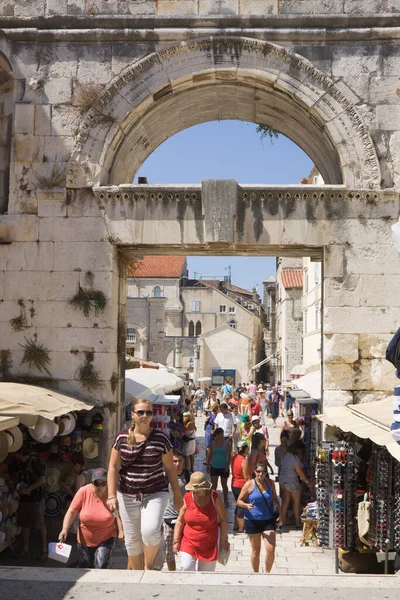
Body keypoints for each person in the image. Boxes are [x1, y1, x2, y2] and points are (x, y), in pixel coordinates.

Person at [107, 398, 183, 570]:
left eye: (148, 412)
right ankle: (137, 574)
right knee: (132, 540)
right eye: (140, 412)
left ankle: (148, 567)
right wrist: (111, 495)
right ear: (133, 415)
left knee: (150, 531)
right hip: (127, 493)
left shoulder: (161, 439)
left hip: (155, 492)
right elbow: (112, 467)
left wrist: (177, 494)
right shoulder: (122, 438)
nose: (145, 415)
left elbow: (170, 469)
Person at [59, 468, 123, 568]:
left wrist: (120, 530)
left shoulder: (111, 493)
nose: (99, 487)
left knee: (101, 565)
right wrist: (64, 529)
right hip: (84, 539)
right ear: (91, 483)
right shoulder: (83, 492)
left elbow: (116, 512)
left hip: (106, 536)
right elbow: (71, 511)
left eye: (103, 484)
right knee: (86, 566)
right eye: (96, 484)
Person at [173, 471, 229, 571]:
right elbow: (180, 521)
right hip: (189, 541)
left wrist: (224, 540)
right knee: (186, 568)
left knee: (206, 575)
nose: (195, 493)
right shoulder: (187, 497)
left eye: (198, 490)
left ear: (205, 489)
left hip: (209, 543)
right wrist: (176, 541)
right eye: (193, 490)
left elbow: (223, 520)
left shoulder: (214, 497)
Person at [237, 461, 280, 573]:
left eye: (263, 472)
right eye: (258, 471)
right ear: (254, 472)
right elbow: (239, 501)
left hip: (268, 520)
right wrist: (246, 505)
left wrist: (280, 514)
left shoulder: (270, 483)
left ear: (266, 473)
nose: (261, 474)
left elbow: (275, 499)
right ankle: (256, 574)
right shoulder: (249, 485)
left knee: (270, 549)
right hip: (252, 520)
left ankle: (267, 573)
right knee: (256, 551)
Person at [14, 446, 47, 560]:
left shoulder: (34, 463)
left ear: (21, 454)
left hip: (36, 499)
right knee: (25, 524)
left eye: (16, 453)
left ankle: (44, 550)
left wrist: (29, 489)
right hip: (24, 499)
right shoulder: (20, 463)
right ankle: (25, 549)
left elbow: (42, 479)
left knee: (40, 524)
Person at [163, 450, 190, 571]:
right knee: (169, 553)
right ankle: (172, 574)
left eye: (179, 461)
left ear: (183, 462)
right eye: (174, 461)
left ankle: (186, 570)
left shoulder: (189, 477)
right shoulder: (165, 477)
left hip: (185, 519)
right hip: (169, 518)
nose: (177, 464)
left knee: (187, 550)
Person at [279, 443, 312, 528]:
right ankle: (297, 522)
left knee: (285, 501)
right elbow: (299, 472)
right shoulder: (295, 457)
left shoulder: (286, 455)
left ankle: (283, 521)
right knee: (296, 502)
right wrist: (307, 482)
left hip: (283, 480)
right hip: (292, 481)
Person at [207, 427, 231, 507]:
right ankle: (213, 499)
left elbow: (229, 455)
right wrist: (208, 465)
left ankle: (226, 499)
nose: (222, 436)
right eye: (220, 435)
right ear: (216, 435)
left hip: (224, 466)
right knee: (214, 485)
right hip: (214, 466)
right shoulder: (212, 443)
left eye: (222, 434)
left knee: (224, 484)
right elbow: (210, 455)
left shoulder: (226, 443)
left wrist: (227, 466)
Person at [231, 440, 249, 532]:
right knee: (242, 505)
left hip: (234, 484)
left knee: (238, 505)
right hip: (241, 486)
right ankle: (241, 527)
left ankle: (235, 525)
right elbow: (246, 477)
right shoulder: (244, 461)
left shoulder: (234, 458)